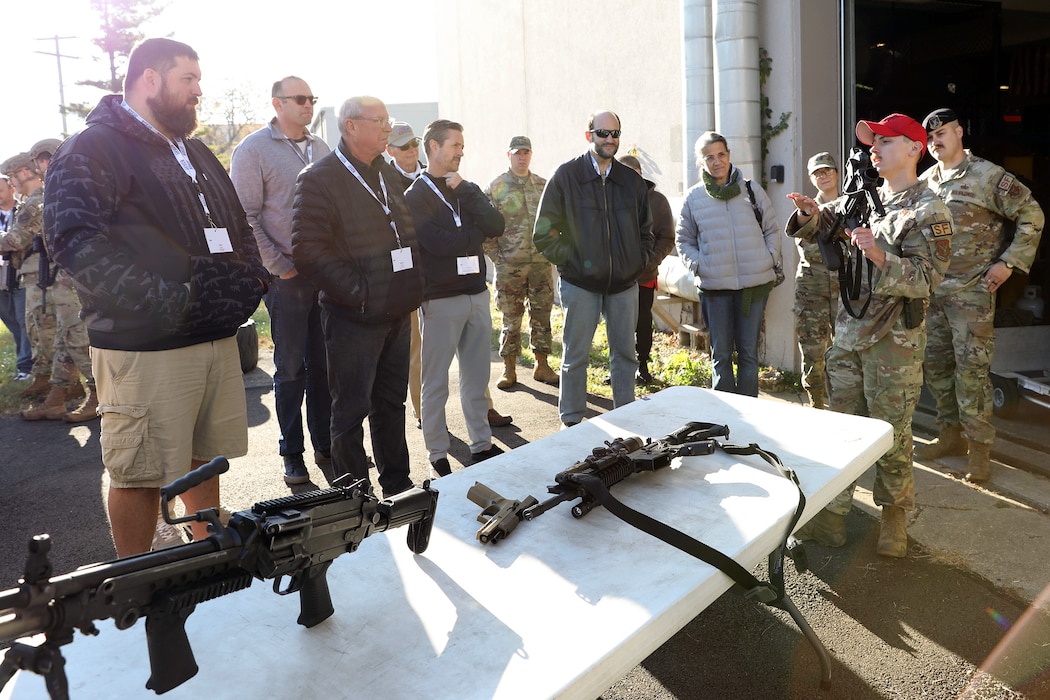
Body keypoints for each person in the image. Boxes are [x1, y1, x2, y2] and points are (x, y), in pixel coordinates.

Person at [43, 37, 268, 556]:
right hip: (144, 346)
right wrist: (171, 301)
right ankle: (135, 580)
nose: (198, 91)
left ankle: (205, 548)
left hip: (213, 336)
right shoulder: (93, 147)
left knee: (204, 456)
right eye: (187, 79)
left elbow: (237, 224)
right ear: (149, 79)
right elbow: (74, 243)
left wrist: (253, 280)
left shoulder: (192, 148)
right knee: (138, 472)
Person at [786, 113, 954, 557]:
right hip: (847, 337)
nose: (873, 149)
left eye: (885, 141)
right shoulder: (863, 198)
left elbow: (928, 279)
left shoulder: (929, 208)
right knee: (842, 430)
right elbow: (826, 225)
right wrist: (809, 215)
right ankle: (833, 518)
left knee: (892, 434)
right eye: (871, 143)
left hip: (893, 344)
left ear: (915, 148)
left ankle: (894, 522)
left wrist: (879, 256)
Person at [292, 96, 422, 497]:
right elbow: (307, 250)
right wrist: (359, 294)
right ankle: (355, 498)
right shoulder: (319, 178)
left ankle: (398, 486)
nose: (388, 128)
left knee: (391, 405)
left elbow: (404, 231)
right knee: (349, 413)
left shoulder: (386, 171)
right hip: (354, 317)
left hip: (397, 312)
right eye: (380, 121)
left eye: (388, 120)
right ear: (351, 126)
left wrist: (411, 286)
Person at [917, 108, 1045, 481]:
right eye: (930, 137)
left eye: (943, 133)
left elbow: (1031, 214)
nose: (936, 140)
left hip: (972, 293)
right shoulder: (926, 181)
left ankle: (979, 451)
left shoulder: (987, 176)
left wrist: (1009, 262)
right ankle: (949, 436)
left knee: (971, 373)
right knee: (937, 370)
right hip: (933, 295)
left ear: (959, 133)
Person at [231, 76, 332, 486]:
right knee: (291, 369)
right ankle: (292, 453)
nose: (309, 105)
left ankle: (325, 444)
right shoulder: (253, 149)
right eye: (301, 99)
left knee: (324, 366)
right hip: (285, 278)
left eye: (312, 99)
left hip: (326, 277)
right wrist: (279, 266)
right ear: (278, 104)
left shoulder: (321, 147)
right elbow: (244, 217)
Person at [387, 120, 513, 430]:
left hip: (469, 286)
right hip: (424, 284)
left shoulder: (458, 183)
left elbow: (494, 225)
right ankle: (427, 420)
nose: (410, 150)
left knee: (475, 367)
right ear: (390, 150)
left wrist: (468, 201)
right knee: (426, 361)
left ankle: (483, 412)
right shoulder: (391, 182)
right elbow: (438, 242)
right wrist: (475, 235)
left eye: (413, 144)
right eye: (403, 147)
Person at [533, 110, 655, 426]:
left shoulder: (631, 182)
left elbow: (646, 232)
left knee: (625, 357)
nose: (610, 139)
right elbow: (543, 233)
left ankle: (626, 418)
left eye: (615, 134)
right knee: (575, 357)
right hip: (580, 285)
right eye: (603, 133)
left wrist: (636, 264)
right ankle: (571, 421)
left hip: (624, 285)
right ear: (589, 135)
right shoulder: (565, 177)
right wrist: (572, 261)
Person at [676, 131, 783, 397]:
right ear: (701, 162)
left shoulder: (751, 189)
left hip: (753, 286)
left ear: (729, 155)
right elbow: (683, 240)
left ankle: (750, 414)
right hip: (715, 288)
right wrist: (700, 265)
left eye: (721, 154)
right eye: (709, 157)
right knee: (720, 354)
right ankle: (725, 418)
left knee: (748, 354)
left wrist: (768, 259)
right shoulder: (693, 198)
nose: (716, 161)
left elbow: (771, 229)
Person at [22, 137, 98, 423]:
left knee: (75, 334)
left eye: (43, 159)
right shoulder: (55, 188)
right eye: (39, 162)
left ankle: (99, 393)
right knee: (66, 337)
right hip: (63, 269)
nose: (41, 166)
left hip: (76, 269)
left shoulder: (72, 185)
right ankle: (56, 397)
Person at [485, 135, 559, 389]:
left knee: (542, 315)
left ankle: (542, 365)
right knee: (511, 318)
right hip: (509, 267)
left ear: (531, 154)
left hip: (540, 264)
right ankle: (509, 368)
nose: (522, 156)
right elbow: (483, 226)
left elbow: (556, 221)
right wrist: (498, 258)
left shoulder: (542, 185)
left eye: (526, 152)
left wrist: (552, 251)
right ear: (509, 155)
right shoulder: (496, 187)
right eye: (517, 152)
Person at [0, 153, 60, 409]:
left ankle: (62, 387)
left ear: (24, 172)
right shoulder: (31, 199)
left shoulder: (37, 200)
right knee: (37, 330)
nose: (12, 184)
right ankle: (48, 381)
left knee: (47, 332)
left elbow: (16, 240)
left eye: (12, 177)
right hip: (34, 273)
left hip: (44, 275)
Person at [617, 154, 676, 384]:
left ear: (641, 174)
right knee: (617, 324)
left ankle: (642, 366)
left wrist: (650, 261)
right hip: (615, 277)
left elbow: (667, 238)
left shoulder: (657, 201)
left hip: (644, 275)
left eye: (634, 174)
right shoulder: (610, 198)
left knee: (642, 322)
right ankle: (619, 367)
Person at [794, 151, 841, 409]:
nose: (823, 176)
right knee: (812, 349)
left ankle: (842, 406)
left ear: (836, 173)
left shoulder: (851, 206)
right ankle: (816, 404)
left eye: (827, 171)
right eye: (817, 173)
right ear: (812, 179)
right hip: (813, 289)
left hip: (846, 290)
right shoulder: (806, 210)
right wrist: (808, 215)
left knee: (843, 350)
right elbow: (808, 248)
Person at [0, 173, 32, 380]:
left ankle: (25, 367)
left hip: (19, 274)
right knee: (10, 320)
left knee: (24, 320)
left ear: (12, 188)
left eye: (0, 190)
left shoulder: (24, 211)